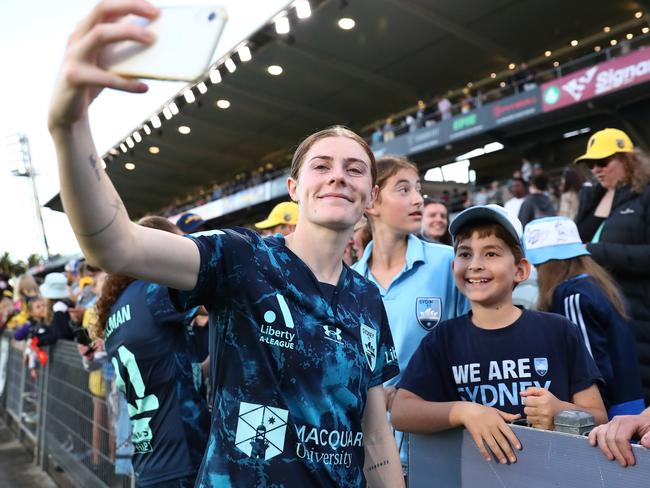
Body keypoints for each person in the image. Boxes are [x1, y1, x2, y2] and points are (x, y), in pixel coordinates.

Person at [47, 3, 402, 484]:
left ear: (370, 197)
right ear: (295, 189)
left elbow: (376, 438)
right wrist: (69, 127)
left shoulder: (367, 299)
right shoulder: (242, 258)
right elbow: (115, 246)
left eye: (355, 168)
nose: (338, 175)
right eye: (321, 165)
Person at [391, 205, 607, 464]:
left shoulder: (558, 330)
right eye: (465, 253)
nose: (475, 265)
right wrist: (464, 411)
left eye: (491, 253)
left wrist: (561, 411)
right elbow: (402, 411)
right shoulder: (443, 339)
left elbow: (599, 415)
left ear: (520, 270)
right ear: (453, 266)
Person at [353, 155, 468, 469]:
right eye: (403, 190)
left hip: (439, 446)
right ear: (371, 201)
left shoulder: (447, 263)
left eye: (418, 189)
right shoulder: (350, 282)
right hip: (370, 453)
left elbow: (472, 345)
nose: (418, 199)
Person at [94, 216, 210, 487]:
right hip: (183, 457)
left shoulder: (115, 312)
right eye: (181, 243)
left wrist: (214, 362)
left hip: (150, 460)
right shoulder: (154, 291)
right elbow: (219, 301)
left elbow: (163, 370)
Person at [524, 216, 644, 418]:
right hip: (629, 403)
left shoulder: (574, 295)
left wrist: (590, 415)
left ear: (549, 265)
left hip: (610, 416)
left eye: (538, 265)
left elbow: (590, 370)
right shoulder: (598, 284)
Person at [574, 128, 650, 405]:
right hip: (595, 313)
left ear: (627, 159)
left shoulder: (645, 195)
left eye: (603, 162)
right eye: (591, 164)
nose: (595, 169)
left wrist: (596, 251)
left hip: (637, 313)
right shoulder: (593, 196)